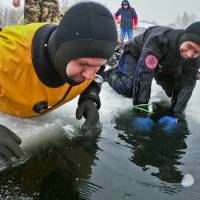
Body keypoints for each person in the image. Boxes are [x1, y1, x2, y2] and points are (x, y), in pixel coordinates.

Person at [0, 2, 117, 171]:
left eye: (97, 66)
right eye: (83, 64)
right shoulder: (7, 58)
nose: (89, 75)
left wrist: (90, 96)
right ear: (62, 52)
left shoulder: (89, 67)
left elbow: (97, 74)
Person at [104, 22, 200, 116]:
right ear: (184, 39)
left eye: (196, 52)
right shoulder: (159, 40)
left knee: (172, 92)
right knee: (130, 89)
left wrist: (175, 115)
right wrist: (141, 109)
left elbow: (187, 84)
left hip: (163, 65)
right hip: (136, 55)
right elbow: (144, 73)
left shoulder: (194, 58)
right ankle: (111, 74)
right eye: (189, 47)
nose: (189, 54)